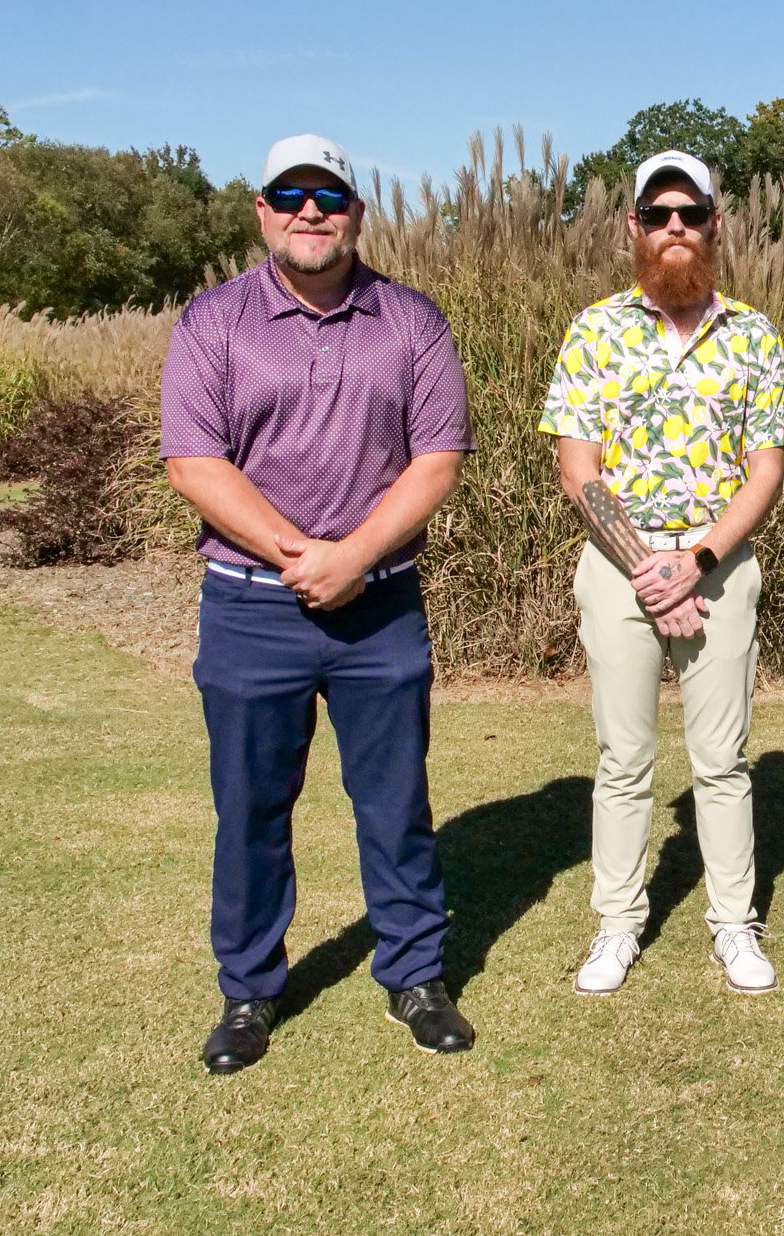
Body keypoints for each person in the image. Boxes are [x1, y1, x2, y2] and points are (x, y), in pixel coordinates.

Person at [161, 134, 477, 1074]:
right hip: (251, 607)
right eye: (291, 195)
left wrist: (354, 558)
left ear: (357, 212)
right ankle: (249, 989)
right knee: (250, 808)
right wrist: (303, 557)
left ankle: (416, 975)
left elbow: (438, 457)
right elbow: (194, 461)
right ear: (262, 210)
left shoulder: (410, 320)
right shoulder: (213, 321)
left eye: (329, 195)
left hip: (379, 609)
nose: (311, 211)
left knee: (395, 802)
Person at [539, 149, 784, 997]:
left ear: (715, 223)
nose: (675, 226)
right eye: (658, 214)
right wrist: (648, 570)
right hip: (619, 568)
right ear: (635, 226)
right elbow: (577, 466)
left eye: (690, 212)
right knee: (623, 757)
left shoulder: (752, 334)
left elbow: (766, 469)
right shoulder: (595, 329)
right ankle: (618, 923)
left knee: (721, 759)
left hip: (717, 565)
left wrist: (695, 563)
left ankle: (733, 922)